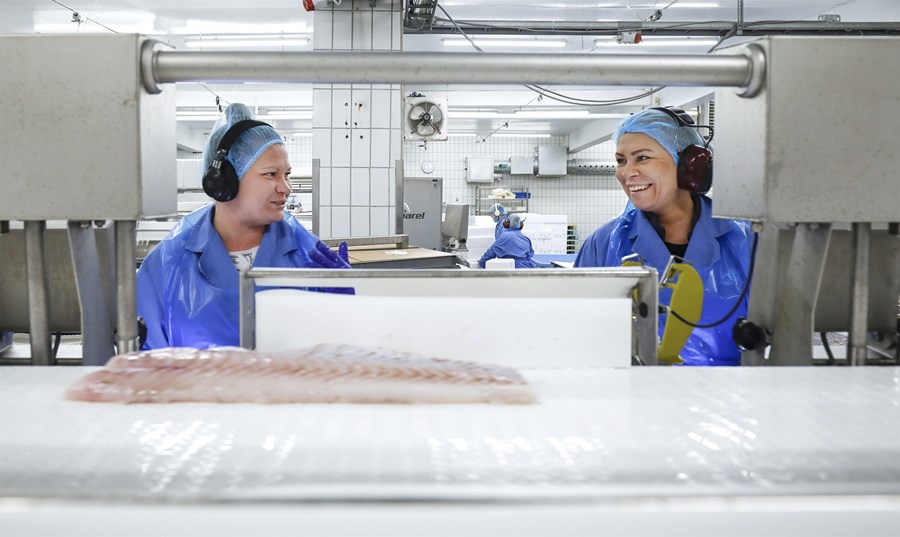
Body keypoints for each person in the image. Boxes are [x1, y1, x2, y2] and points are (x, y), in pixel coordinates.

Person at [137, 103, 351, 350]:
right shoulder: (167, 265)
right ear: (225, 183)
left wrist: (348, 311)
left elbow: (338, 355)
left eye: (287, 174)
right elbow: (144, 359)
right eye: (271, 174)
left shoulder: (309, 255)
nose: (286, 188)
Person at [574, 107, 752, 366]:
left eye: (642, 158)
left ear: (688, 166)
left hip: (727, 389)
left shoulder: (745, 240)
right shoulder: (604, 244)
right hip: (630, 388)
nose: (626, 173)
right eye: (621, 160)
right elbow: (578, 331)